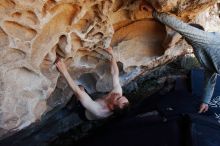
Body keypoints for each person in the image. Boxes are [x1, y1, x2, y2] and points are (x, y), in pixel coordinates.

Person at [140, 3, 220, 113]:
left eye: (185, 36)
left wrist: (154, 12)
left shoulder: (205, 40)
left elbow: (180, 26)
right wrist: (205, 101)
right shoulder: (202, 50)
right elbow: (210, 77)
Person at [55, 47, 129, 120]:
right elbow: (115, 73)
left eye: (118, 98)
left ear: (112, 106)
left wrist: (63, 70)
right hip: (97, 99)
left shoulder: (99, 111)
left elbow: (78, 92)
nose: (119, 94)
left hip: (84, 112)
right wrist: (112, 54)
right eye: (122, 96)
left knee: (80, 90)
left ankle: (70, 107)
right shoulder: (118, 94)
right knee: (86, 92)